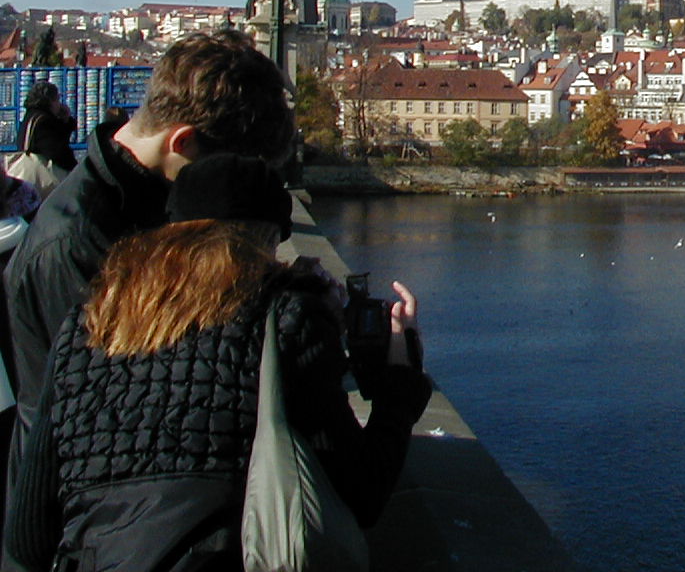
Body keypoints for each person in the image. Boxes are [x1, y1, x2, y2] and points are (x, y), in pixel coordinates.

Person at [3, 153, 430, 571]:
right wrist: (399, 381)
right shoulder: (283, 319)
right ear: (263, 240)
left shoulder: (87, 325)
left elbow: (27, 537)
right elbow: (362, 492)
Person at [3, 31, 294, 504]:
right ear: (181, 142)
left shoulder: (133, 203)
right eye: (222, 169)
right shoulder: (78, 243)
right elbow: (115, 416)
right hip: (84, 509)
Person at [14, 83, 76, 174]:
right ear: (51, 101)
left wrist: (65, 120)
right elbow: (58, 153)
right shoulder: (44, 121)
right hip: (41, 178)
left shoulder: (31, 117)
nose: (59, 104)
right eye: (57, 99)